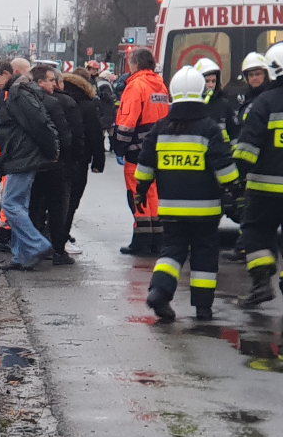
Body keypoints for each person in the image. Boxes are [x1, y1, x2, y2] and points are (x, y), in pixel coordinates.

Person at [135, 66, 240, 321]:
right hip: (206, 209)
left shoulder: (161, 128)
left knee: (172, 250)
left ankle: (159, 292)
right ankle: (203, 308)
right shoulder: (210, 128)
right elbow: (225, 169)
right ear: (202, 93)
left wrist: (141, 191)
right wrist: (235, 189)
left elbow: (145, 164)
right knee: (204, 254)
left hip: (170, 207)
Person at [233, 41, 283, 314]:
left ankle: (261, 284)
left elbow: (247, 148)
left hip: (263, 190)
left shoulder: (265, 102)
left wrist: (235, 179)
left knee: (256, 233)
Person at [0, 60, 60, 271]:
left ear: (6, 73)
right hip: (21, 156)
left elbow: (40, 123)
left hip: (22, 157)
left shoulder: (18, 93)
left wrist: (52, 150)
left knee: (10, 204)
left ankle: (37, 245)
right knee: (19, 205)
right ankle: (22, 255)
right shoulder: (16, 91)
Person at [114, 48, 170, 255]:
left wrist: (119, 146)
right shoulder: (160, 86)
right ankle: (157, 239)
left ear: (135, 64)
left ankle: (142, 240)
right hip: (158, 147)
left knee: (138, 193)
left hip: (137, 149)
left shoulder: (136, 86)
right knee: (153, 193)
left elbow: (127, 121)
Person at [225, 52, 274, 263]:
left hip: (262, 163)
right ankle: (245, 246)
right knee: (249, 208)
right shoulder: (249, 99)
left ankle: (245, 248)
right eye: (251, 75)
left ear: (266, 74)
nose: (255, 78)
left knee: (253, 209)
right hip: (250, 162)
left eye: (258, 74)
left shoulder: (266, 99)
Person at [27, 65, 75, 264]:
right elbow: (64, 135)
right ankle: (58, 250)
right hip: (54, 163)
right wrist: (63, 157)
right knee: (57, 207)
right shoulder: (53, 103)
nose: (54, 84)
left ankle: (33, 246)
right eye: (50, 80)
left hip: (32, 162)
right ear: (40, 82)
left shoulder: (26, 101)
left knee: (34, 205)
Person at [60, 69, 106, 252]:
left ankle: (50, 235)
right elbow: (95, 134)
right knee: (72, 201)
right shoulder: (87, 104)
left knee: (54, 200)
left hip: (56, 157)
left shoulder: (56, 97)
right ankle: (62, 238)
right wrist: (98, 162)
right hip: (80, 159)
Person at [0, 58, 32, 252]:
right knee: (10, 198)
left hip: (8, 153)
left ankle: (6, 233)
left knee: (9, 197)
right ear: (16, 72)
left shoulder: (7, 93)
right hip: (10, 154)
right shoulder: (9, 94)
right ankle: (5, 235)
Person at [193, 57, 238, 143]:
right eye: (207, 81)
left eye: (213, 81)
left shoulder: (224, 105)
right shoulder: (192, 105)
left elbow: (234, 133)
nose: (211, 85)